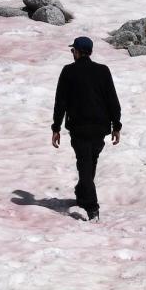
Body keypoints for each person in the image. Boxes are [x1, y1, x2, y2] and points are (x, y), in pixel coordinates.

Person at [50, 36, 121, 222]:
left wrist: (56, 127)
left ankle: (92, 207)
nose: (72, 53)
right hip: (99, 128)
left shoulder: (68, 71)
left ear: (78, 52)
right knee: (89, 164)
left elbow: (60, 103)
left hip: (79, 128)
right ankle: (82, 193)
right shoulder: (103, 71)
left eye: (73, 50)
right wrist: (116, 126)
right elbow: (113, 101)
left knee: (85, 166)